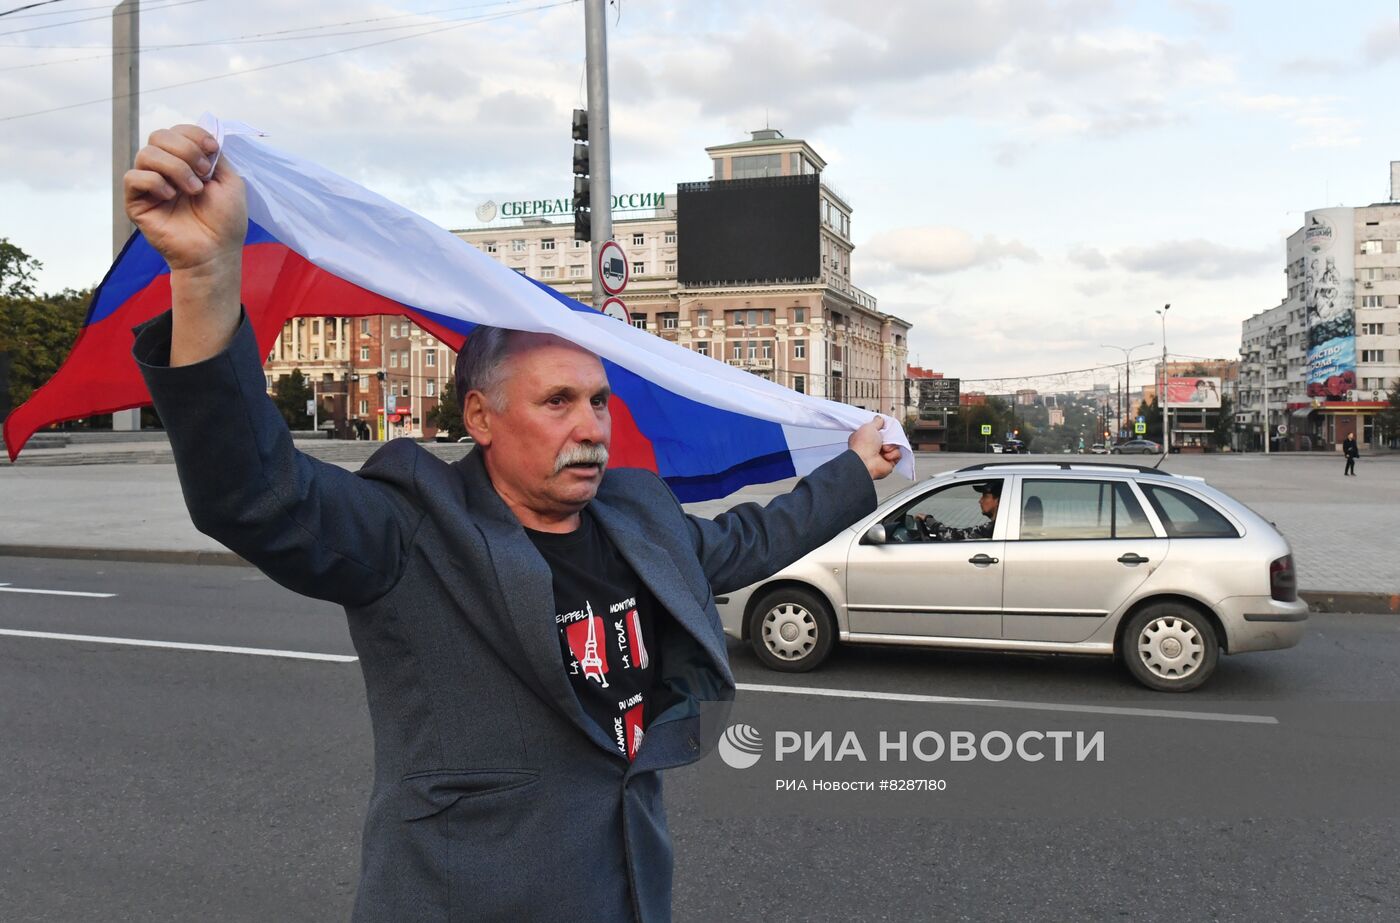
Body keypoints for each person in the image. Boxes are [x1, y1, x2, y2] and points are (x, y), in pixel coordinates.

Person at [123, 124, 903, 921]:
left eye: (599, 400)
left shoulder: (638, 514)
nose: (592, 426)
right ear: (482, 416)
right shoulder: (413, 529)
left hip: (625, 891)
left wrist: (856, 469)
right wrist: (206, 274)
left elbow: (750, 540)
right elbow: (256, 493)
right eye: (557, 402)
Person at [917, 481, 1001, 541]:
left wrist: (929, 520)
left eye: (985, 497)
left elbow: (954, 536)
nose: (980, 501)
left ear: (997, 501)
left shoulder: (992, 528)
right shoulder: (1000, 526)